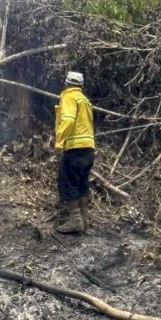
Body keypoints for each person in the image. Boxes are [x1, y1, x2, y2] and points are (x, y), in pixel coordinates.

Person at [53, 71, 95, 235]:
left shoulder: (69, 97)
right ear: (81, 86)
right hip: (89, 149)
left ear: (66, 84)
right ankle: (84, 219)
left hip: (75, 148)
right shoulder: (85, 100)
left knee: (68, 183)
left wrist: (59, 141)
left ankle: (75, 221)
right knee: (82, 184)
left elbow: (69, 119)